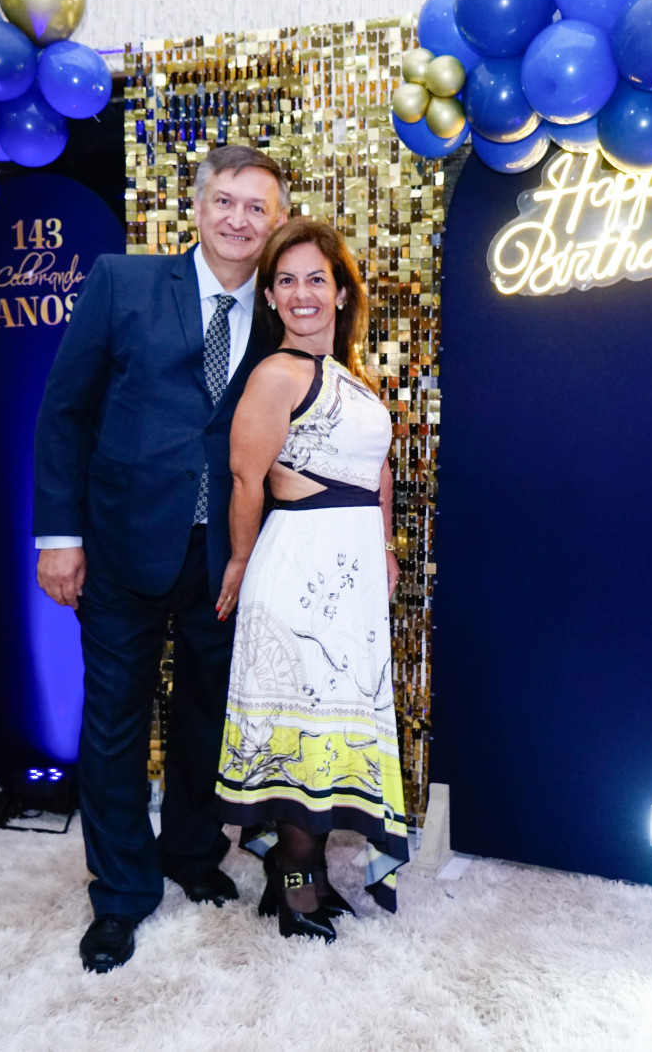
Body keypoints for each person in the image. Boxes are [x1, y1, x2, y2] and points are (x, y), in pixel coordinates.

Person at [31, 144, 289, 973]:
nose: (239, 219)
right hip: (119, 546)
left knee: (207, 715)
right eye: (226, 201)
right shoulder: (123, 281)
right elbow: (65, 412)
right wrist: (58, 536)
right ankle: (119, 893)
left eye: (257, 207)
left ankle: (189, 852)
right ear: (199, 207)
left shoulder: (284, 309)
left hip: (228, 556)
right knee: (113, 725)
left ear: (276, 220)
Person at [212, 218, 408, 942]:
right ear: (269, 296)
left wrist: (385, 547)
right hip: (299, 572)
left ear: (341, 292)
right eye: (286, 280)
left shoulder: (350, 376)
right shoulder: (277, 374)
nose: (302, 293)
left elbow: (377, 471)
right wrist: (239, 560)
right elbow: (246, 478)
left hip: (350, 578)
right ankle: (295, 887)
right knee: (301, 745)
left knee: (325, 742)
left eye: (316, 279)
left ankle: (309, 877)